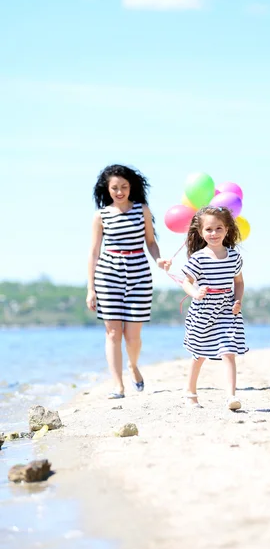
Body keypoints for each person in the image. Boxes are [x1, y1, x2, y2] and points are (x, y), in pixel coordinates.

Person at [86, 164, 171, 399]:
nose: (120, 192)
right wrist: (90, 288)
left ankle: (133, 366)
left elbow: (151, 243)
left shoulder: (141, 210)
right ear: (108, 188)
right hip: (107, 275)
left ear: (131, 186)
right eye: (115, 188)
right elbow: (93, 252)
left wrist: (159, 260)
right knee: (113, 333)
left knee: (132, 336)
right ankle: (118, 385)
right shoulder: (100, 215)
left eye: (124, 187)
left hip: (139, 274)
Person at [181, 205, 248, 410]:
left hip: (226, 309)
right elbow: (186, 281)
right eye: (209, 229)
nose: (214, 233)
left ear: (227, 229)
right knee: (199, 354)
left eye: (219, 228)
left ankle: (231, 396)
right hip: (203, 311)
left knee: (228, 351)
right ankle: (190, 393)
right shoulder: (199, 258)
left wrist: (238, 300)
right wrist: (195, 293)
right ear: (201, 232)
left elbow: (238, 282)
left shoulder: (234, 257)